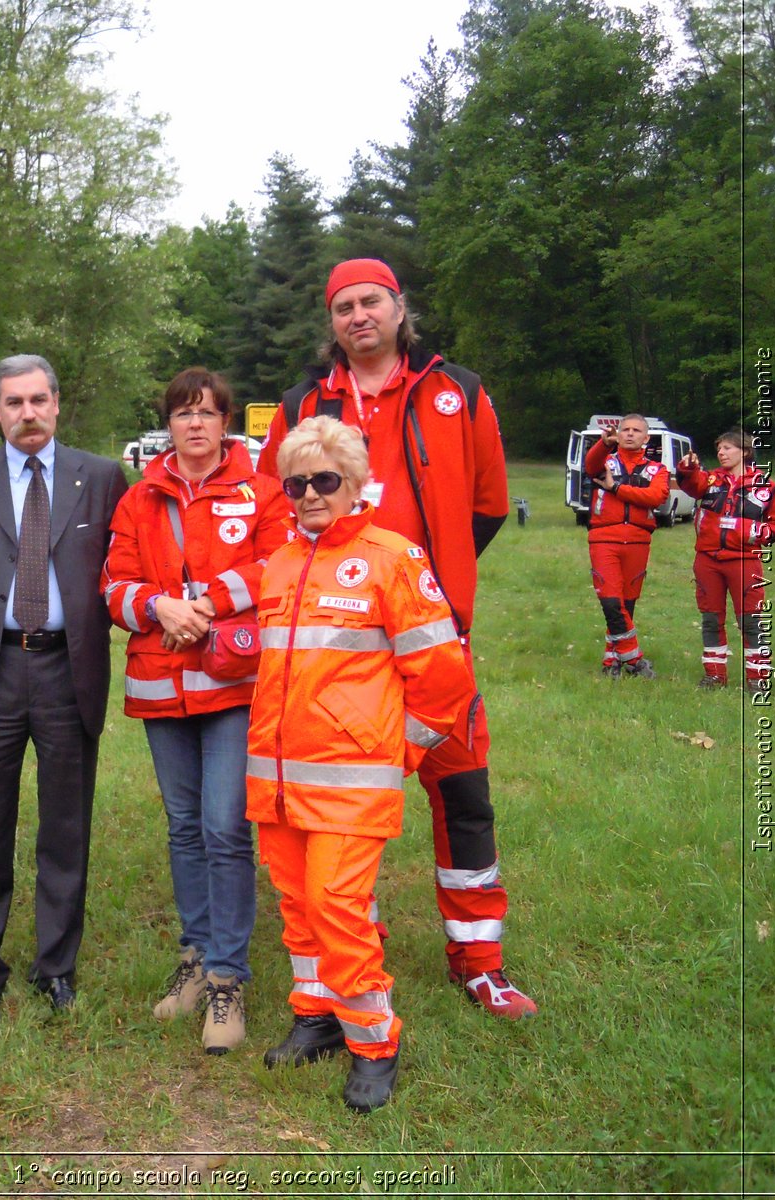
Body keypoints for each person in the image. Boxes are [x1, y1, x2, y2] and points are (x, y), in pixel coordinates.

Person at [258, 258, 536, 1018]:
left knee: (462, 796)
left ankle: (479, 959)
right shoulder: (302, 403)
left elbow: (485, 508)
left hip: (427, 634)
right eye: (343, 306)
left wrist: (421, 583)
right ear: (332, 321)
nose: (358, 316)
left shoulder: (458, 391)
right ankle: (352, 950)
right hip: (331, 653)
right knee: (333, 808)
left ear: (397, 306)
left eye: (370, 301)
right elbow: (273, 511)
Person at [250, 416, 476, 1113]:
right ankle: (315, 1016)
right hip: (279, 780)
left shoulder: (392, 557)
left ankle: (374, 1042)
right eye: (298, 483)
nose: (310, 494)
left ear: (353, 483)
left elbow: (443, 676)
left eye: (324, 481)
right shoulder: (282, 561)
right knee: (297, 906)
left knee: (336, 906)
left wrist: (395, 748)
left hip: (352, 779)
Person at [0, 353, 128, 1027]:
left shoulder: (101, 478)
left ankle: (55, 966)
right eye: (13, 403)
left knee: (65, 824)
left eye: (38, 399)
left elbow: (117, 566)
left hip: (68, 668)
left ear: (57, 403)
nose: (28, 413)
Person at [100, 367, 285, 1054]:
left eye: (208, 412)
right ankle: (197, 955)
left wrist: (206, 602)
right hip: (160, 682)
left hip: (231, 684)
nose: (196, 424)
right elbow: (112, 582)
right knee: (183, 829)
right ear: (168, 424)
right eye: (184, 413)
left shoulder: (261, 491)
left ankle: (229, 979)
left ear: (227, 422)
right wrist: (156, 607)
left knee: (224, 827)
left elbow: (277, 561)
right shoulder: (138, 498)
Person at [677, 430, 775, 691]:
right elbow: (690, 484)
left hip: (745, 562)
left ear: (744, 452)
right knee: (711, 619)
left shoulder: (765, 487)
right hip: (707, 560)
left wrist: (740, 530)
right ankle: (714, 675)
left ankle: (757, 679)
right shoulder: (710, 479)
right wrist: (686, 469)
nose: (721, 453)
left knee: (751, 621)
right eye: (719, 448)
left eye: (727, 448)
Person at [584, 414, 669, 678]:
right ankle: (634, 659)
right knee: (611, 602)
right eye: (626, 430)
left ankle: (612, 663)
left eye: (636, 430)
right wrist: (603, 444)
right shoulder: (604, 461)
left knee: (626, 605)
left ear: (646, 438)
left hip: (638, 541)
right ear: (618, 435)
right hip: (604, 539)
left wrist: (616, 488)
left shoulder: (658, 469)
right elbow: (590, 465)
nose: (630, 434)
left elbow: (656, 497)